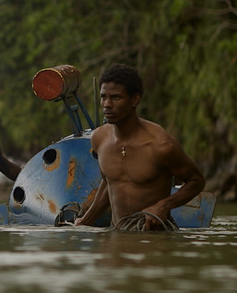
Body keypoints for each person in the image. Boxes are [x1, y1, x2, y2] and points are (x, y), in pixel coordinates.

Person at [74, 64, 205, 230]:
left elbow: (196, 181)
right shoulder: (99, 139)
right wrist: (85, 221)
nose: (107, 104)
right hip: (117, 233)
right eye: (103, 97)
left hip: (153, 235)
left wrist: (164, 205)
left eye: (115, 98)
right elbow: (109, 183)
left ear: (135, 99)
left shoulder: (160, 145)